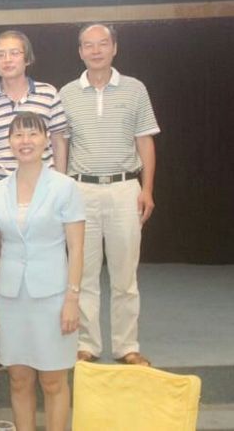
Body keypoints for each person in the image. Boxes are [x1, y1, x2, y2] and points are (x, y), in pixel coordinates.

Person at [60, 23, 160, 366]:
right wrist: (62, 189)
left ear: (114, 48)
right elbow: (62, 145)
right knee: (83, 274)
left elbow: (145, 141)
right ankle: (86, 344)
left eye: (103, 44)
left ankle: (126, 346)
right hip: (80, 190)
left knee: (125, 276)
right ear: (80, 52)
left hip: (124, 189)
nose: (96, 50)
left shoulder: (135, 89)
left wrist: (147, 189)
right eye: (88, 45)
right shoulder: (67, 93)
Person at [0, 29, 68, 370]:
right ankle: (0, 341)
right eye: (0, 54)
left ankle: (50, 336)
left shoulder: (48, 94)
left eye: (14, 53)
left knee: (42, 262)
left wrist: (61, 183)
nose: (7, 59)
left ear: (27, 58)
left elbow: (59, 140)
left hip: (42, 191)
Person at [0, 112, 85, 431]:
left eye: (32, 134)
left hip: (53, 297)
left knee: (53, 381)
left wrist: (72, 299)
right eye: (18, 135)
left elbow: (77, 248)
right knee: (18, 379)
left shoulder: (65, 187)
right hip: (9, 297)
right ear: (9, 142)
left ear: (46, 141)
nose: (25, 141)